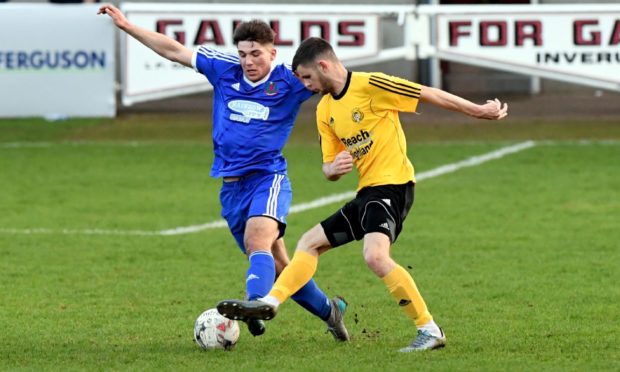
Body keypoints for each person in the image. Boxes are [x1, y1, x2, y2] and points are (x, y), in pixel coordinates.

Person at [217, 37, 508, 351]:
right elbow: (327, 168)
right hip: (367, 192)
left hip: (394, 187)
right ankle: (270, 303)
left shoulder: (372, 85)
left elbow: (428, 93)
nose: (304, 85)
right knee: (309, 244)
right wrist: (335, 168)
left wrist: (477, 110)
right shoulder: (324, 110)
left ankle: (429, 329)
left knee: (375, 256)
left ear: (324, 66)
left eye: (306, 77)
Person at [97, 7, 349, 341]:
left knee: (256, 239)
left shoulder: (290, 81)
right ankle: (330, 312)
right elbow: (174, 50)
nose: (248, 61)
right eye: (243, 53)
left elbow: (339, 86)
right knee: (279, 268)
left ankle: (256, 304)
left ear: (272, 53)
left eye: (256, 54)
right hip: (231, 188)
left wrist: (342, 148)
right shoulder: (223, 68)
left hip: (267, 178)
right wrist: (127, 26)